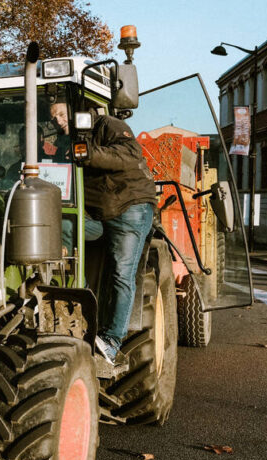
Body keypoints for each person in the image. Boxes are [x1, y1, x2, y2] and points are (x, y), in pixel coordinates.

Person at [49, 101, 157, 364]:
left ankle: (111, 341)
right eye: (54, 118)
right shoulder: (65, 141)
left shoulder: (108, 125)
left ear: (78, 111)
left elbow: (129, 155)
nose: (59, 121)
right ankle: (84, 306)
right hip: (96, 214)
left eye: (63, 114)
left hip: (129, 206)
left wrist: (89, 153)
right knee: (63, 225)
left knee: (122, 272)